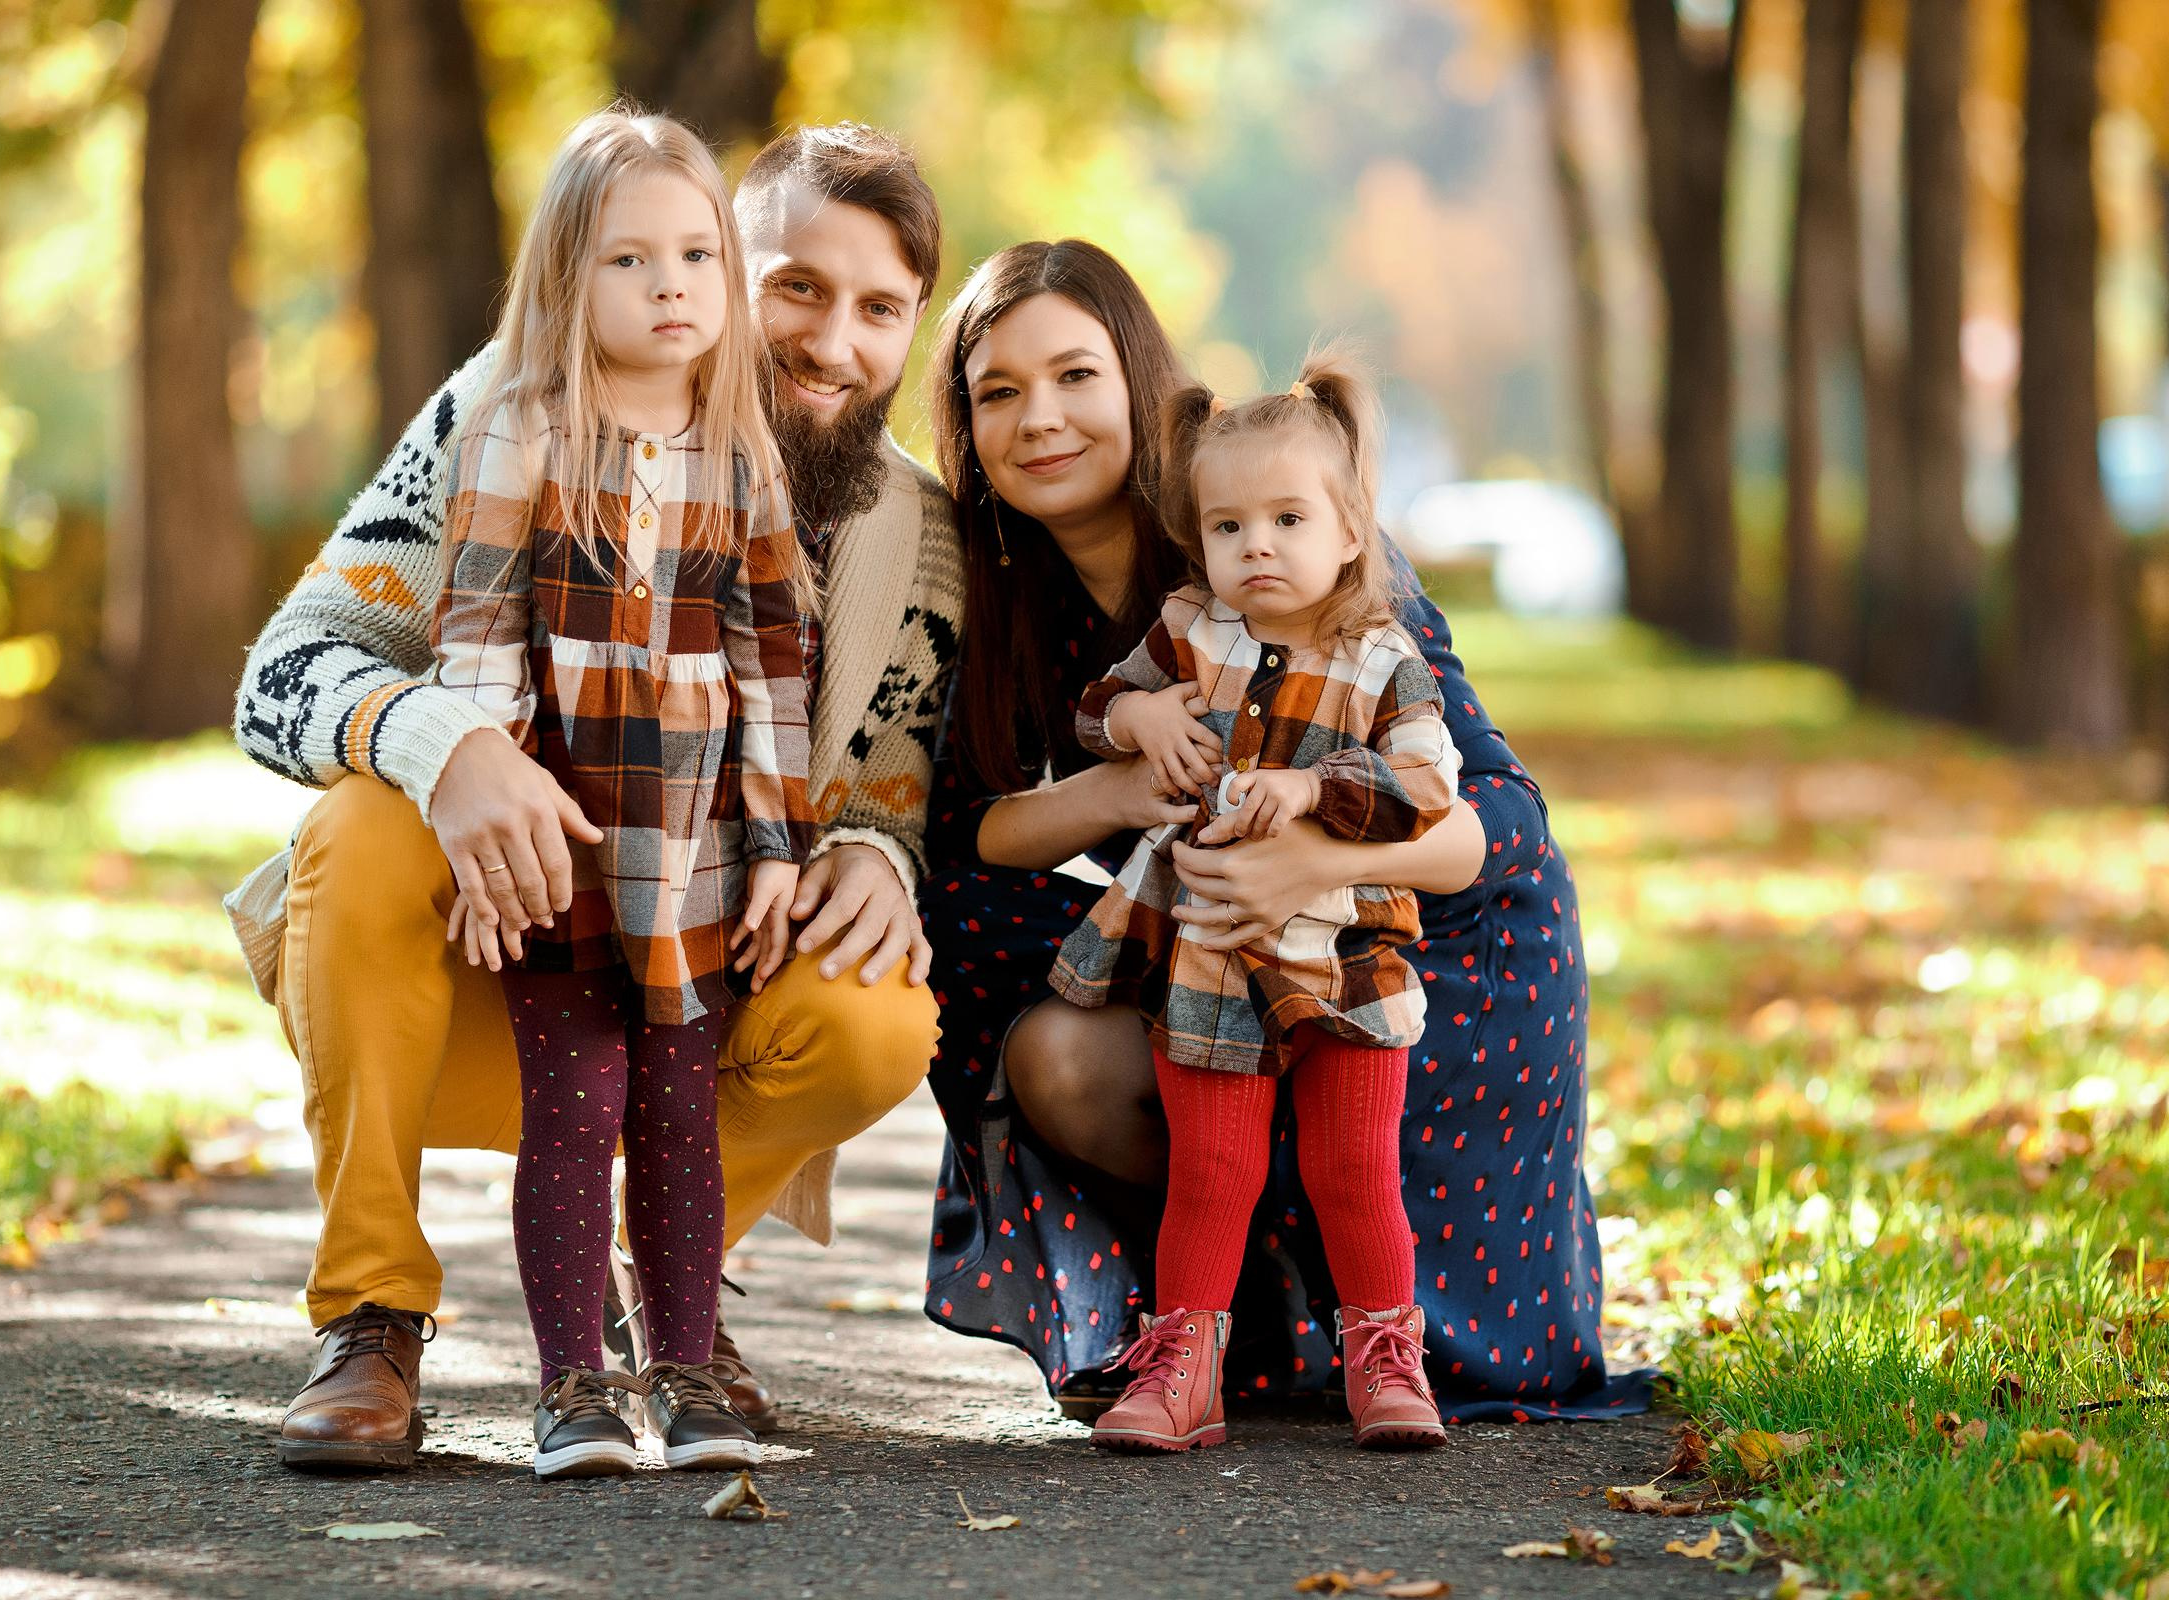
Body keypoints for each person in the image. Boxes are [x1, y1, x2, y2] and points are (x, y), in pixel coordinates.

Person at [226, 120, 963, 1472]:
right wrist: (448, 744)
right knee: (357, 827)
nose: (831, 343)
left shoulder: (919, 543)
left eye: (879, 309)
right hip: (481, 961)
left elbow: (889, 787)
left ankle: (667, 1311)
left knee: (875, 1018)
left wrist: (872, 854)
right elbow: (283, 673)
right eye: (793, 284)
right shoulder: (501, 412)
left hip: (699, 954)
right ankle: (371, 1311)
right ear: (706, 262)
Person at [917, 239, 1652, 1426]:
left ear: (1140, 382)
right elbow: (964, 836)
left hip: (1425, 948)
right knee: (971, 941)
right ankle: (1215, 1322)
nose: (1039, 418)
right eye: (997, 392)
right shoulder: (1006, 593)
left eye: (1073, 376)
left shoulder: (1277, 517)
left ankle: (1360, 1331)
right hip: (1221, 956)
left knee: (1352, 1137)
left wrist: (1317, 853)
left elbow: (1501, 818)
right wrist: (1112, 790)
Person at [428, 106, 820, 1479]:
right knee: (576, 1105)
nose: (671, 288)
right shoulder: (523, 434)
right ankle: (570, 1386)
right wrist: (489, 847)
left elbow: (778, 668)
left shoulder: (745, 451)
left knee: (680, 1107)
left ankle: (694, 1374)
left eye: (698, 256)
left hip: (699, 846)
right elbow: (476, 642)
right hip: (567, 837)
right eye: (630, 261)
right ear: (566, 280)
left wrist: (777, 848)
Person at [1052, 351, 1460, 1454]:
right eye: (1229, 527)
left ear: (1348, 528)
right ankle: (1186, 1363)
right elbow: (1097, 711)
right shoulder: (1191, 631)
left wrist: (1317, 787)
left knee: (1352, 1169)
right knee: (1213, 1169)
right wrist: (1138, 725)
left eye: (1287, 517)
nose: (1258, 545)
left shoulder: (1385, 660)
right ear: (1199, 541)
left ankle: (1386, 1357)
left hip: (1352, 955)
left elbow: (1431, 784)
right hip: (1212, 955)